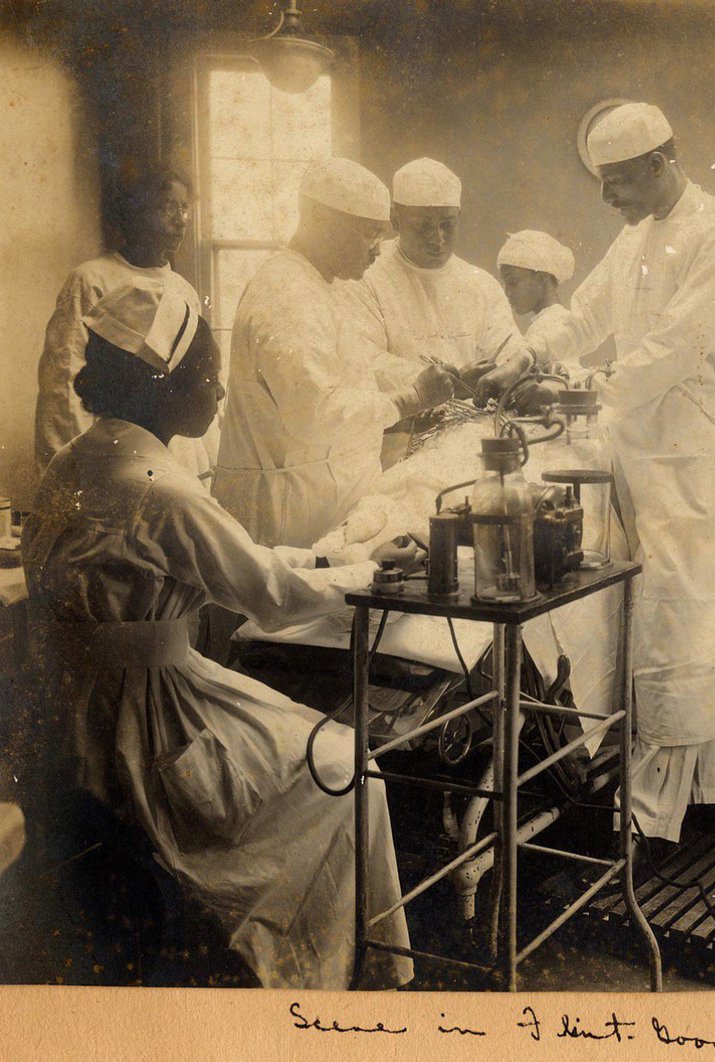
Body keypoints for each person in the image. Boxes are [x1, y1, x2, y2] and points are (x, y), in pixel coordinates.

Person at [22, 279, 419, 989]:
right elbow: (268, 595)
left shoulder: (75, 461)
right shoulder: (157, 483)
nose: (221, 394)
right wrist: (366, 575)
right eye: (209, 377)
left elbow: (226, 566)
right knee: (349, 769)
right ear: (163, 386)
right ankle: (315, 980)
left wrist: (338, 557)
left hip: (67, 710)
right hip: (143, 724)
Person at [479, 103, 715, 856]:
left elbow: (679, 343)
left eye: (617, 182)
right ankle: (706, 797)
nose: (607, 199)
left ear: (662, 161)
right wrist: (529, 354)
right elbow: (585, 313)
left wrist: (591, 388)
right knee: (659, 619)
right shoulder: (636, 236)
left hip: (691, 456)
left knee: (678, 622)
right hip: (638, 448)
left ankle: (650, 819)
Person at [213, 158, 454, 548]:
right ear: (316, 219)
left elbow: (358, 367)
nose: (378, 251)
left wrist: (419, 378)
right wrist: (411, 398)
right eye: (368, 235)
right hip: (287, 514)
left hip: (324, 503)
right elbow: (315, 413)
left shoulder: (326, 284)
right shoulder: (286, 294)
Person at [34, 162, 213, 479]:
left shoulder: (183, 290)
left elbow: (195, 381)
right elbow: (64, 384)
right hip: (112, 457)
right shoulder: (91, 280)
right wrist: (80, 472)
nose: (180, 220)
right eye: (168, 207)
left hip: (175, 455)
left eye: (185, 209)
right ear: (137, 211)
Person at [339, 157, 521, 462]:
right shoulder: (366, 275)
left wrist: (502, 372)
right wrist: (449, 384)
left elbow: (509, 348)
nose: (438, 239)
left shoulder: (480, 284)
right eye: (423, 227)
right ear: (395, 220)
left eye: (448, 225)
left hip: (473, 437)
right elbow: (362, 361)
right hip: (400, 441)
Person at [496, 229, 576, 347]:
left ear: (541, 279)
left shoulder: (554, 326)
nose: (507, 292)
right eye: (505, 284)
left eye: (513, 282)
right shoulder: (545, 323)